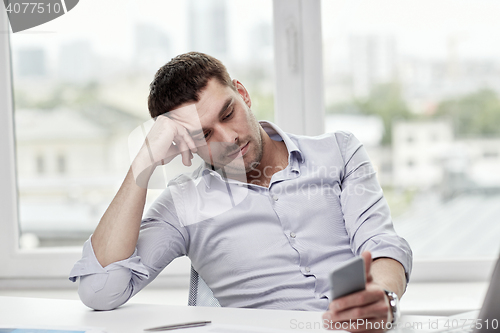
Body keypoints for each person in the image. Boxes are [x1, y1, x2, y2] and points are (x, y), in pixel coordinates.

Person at [70, 52, 412, 332]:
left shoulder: (339, 151)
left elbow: (380, 244)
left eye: (228, 113)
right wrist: (143, 162)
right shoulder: (183, 205)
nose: (228, 138)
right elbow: (100, 290)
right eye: (204, 135)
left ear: (243, 94)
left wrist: (383, 298)